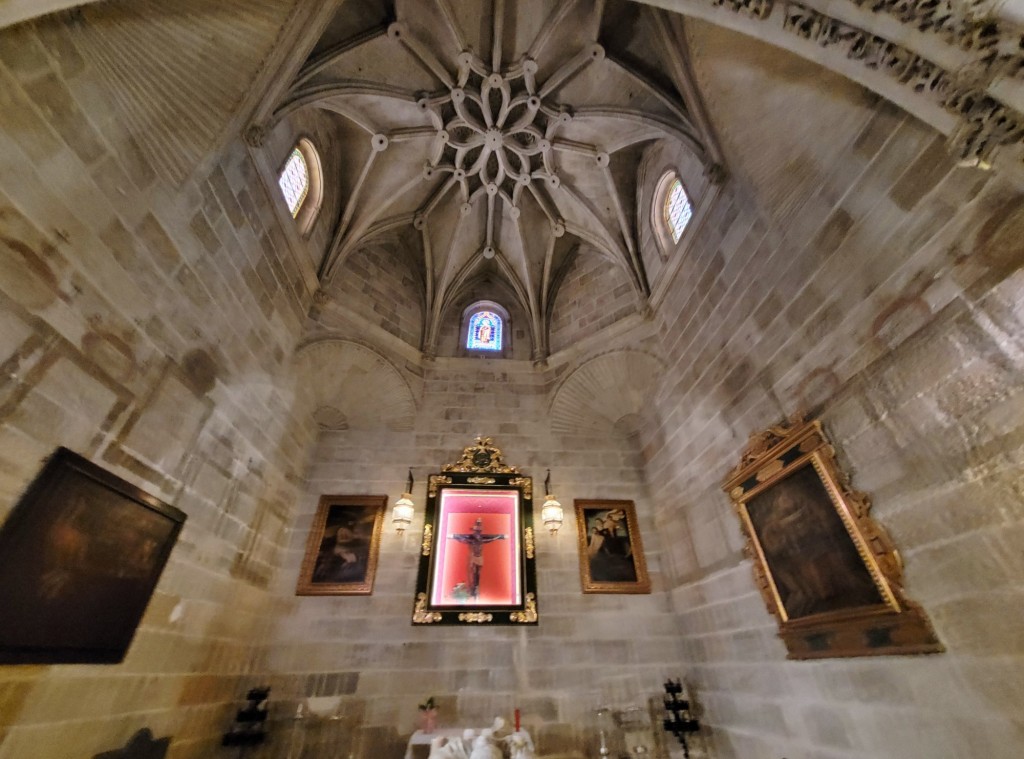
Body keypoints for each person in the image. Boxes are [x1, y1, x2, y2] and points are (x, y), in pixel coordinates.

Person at [449, 518, 506, 598]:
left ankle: (476, 587)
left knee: (478, 573)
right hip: (474, 557)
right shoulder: (472, 540)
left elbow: (491, 538)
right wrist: (454, 536)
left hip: (480, 558)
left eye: (479, 533)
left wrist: (500, 536)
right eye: (476, 533)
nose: (478, 536)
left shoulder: (482, 540)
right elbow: (462, 538)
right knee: (473, 571)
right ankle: (473, 588)